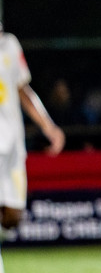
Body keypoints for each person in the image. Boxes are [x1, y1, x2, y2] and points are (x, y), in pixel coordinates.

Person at [0, 23, 65, 249]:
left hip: (12, 145)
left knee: (12, 217)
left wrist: (48, 126)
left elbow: (22, 88)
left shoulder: (9, 44)